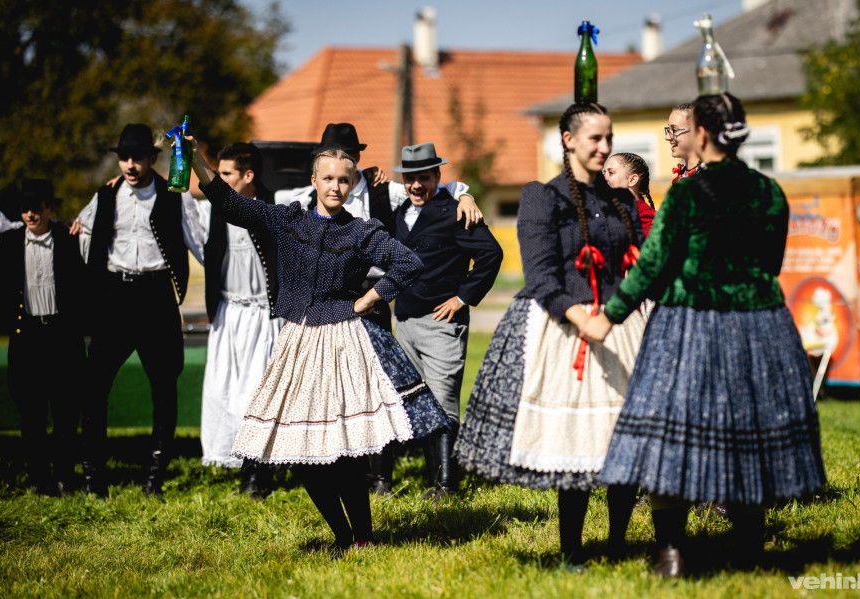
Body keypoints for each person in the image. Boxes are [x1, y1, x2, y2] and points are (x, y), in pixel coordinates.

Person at [593, 93, 826, 577]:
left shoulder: (687, 194)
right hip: (762, 324)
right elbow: (772, 262)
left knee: (667, 435)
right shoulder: (770, 191)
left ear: (701, 134)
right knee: (749, 432)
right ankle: (748, 552)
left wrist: (611, 313)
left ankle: (672, 554)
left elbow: (652, 265)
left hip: (689, 323)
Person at [187, 135, 451, 552]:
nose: (334, 187)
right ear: (314, 180)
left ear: (351, 185)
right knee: (300, 452)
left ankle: (362, 538)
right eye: (327, 178)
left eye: (343, 181)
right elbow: (228, 202)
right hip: (296, 342)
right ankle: (342, 536)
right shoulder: (287, 219)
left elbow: (409, 262)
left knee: (345, 452)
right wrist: (196, 158)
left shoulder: (362, 232)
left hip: (345, 342)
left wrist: (370, 297)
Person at [455, 102, 645, 566]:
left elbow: (636, 265)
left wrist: (618, 314)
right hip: (567, 328)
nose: (604, 147)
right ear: (568, 140)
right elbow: (541, 278)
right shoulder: (543, 197)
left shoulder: (621, 201)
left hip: (621, 325)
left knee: (622, 439)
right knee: (576, 441)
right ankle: (573, 551)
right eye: (595, 139)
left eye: (609, 138)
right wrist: (584, 320)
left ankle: (619, 542)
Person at [74, 123, 206, 497]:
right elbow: (81, 231)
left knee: (164, 387)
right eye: (125, 158)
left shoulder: (174, 194)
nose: (131, 165)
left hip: (156, 296)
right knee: (95, 387)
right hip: (114, 297)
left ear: (152, 159)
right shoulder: (104, 195)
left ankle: (154, 479)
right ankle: (93, 479)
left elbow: (200, 243)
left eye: (138, 157)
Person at [274, 123, 483, 332]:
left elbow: (424, 188)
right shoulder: (310, 197)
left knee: (376, 361)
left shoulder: (383, 191)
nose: (336, 161)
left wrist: (464, 195)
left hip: (373, 294)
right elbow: (276, 197)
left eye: (344, 155)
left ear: (356, 157)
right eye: (329, 156)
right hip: (328, 300)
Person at [389, 142, 503, 501]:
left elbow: (491, 254)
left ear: (439, 177)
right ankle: (432, 481)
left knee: (442, 401)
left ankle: (447, 486)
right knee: (419, 402)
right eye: (411, 179)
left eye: (424, 178)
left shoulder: (455, 211)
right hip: (404, 321)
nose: (417, 186)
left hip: (441, 323)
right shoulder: (399, 212)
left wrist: (462, 298)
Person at [196, 142, 282, 497]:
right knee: (225, 393)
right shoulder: (214, 211)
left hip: (263, 315)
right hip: (229, 314)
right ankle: (237, 462)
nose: (220, 180)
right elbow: (174, 204)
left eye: (227, 174)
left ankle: (256, 473)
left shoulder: (272, 208)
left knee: (256, 396)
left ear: (249, 176)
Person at [0, 179, 87, 495]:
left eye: (36, 208)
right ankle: (37, 476)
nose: (30, 214)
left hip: (63, 337)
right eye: (24, 209)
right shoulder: (8, 242)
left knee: (66, 411)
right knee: (31, 413)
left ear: (51, 208)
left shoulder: (69, 237)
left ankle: (64, 474)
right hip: (27, 337)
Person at [603, 152, 656, 237]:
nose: (604, 178)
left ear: (632, 180)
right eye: (604, 173)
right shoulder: (604, 214)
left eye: (611, 172)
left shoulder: (651, 223)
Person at [666, 103, 703, 183]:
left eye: (674, 130)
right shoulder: (681, 176)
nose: (667, 137)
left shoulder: (712, 177)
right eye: (668, 130)